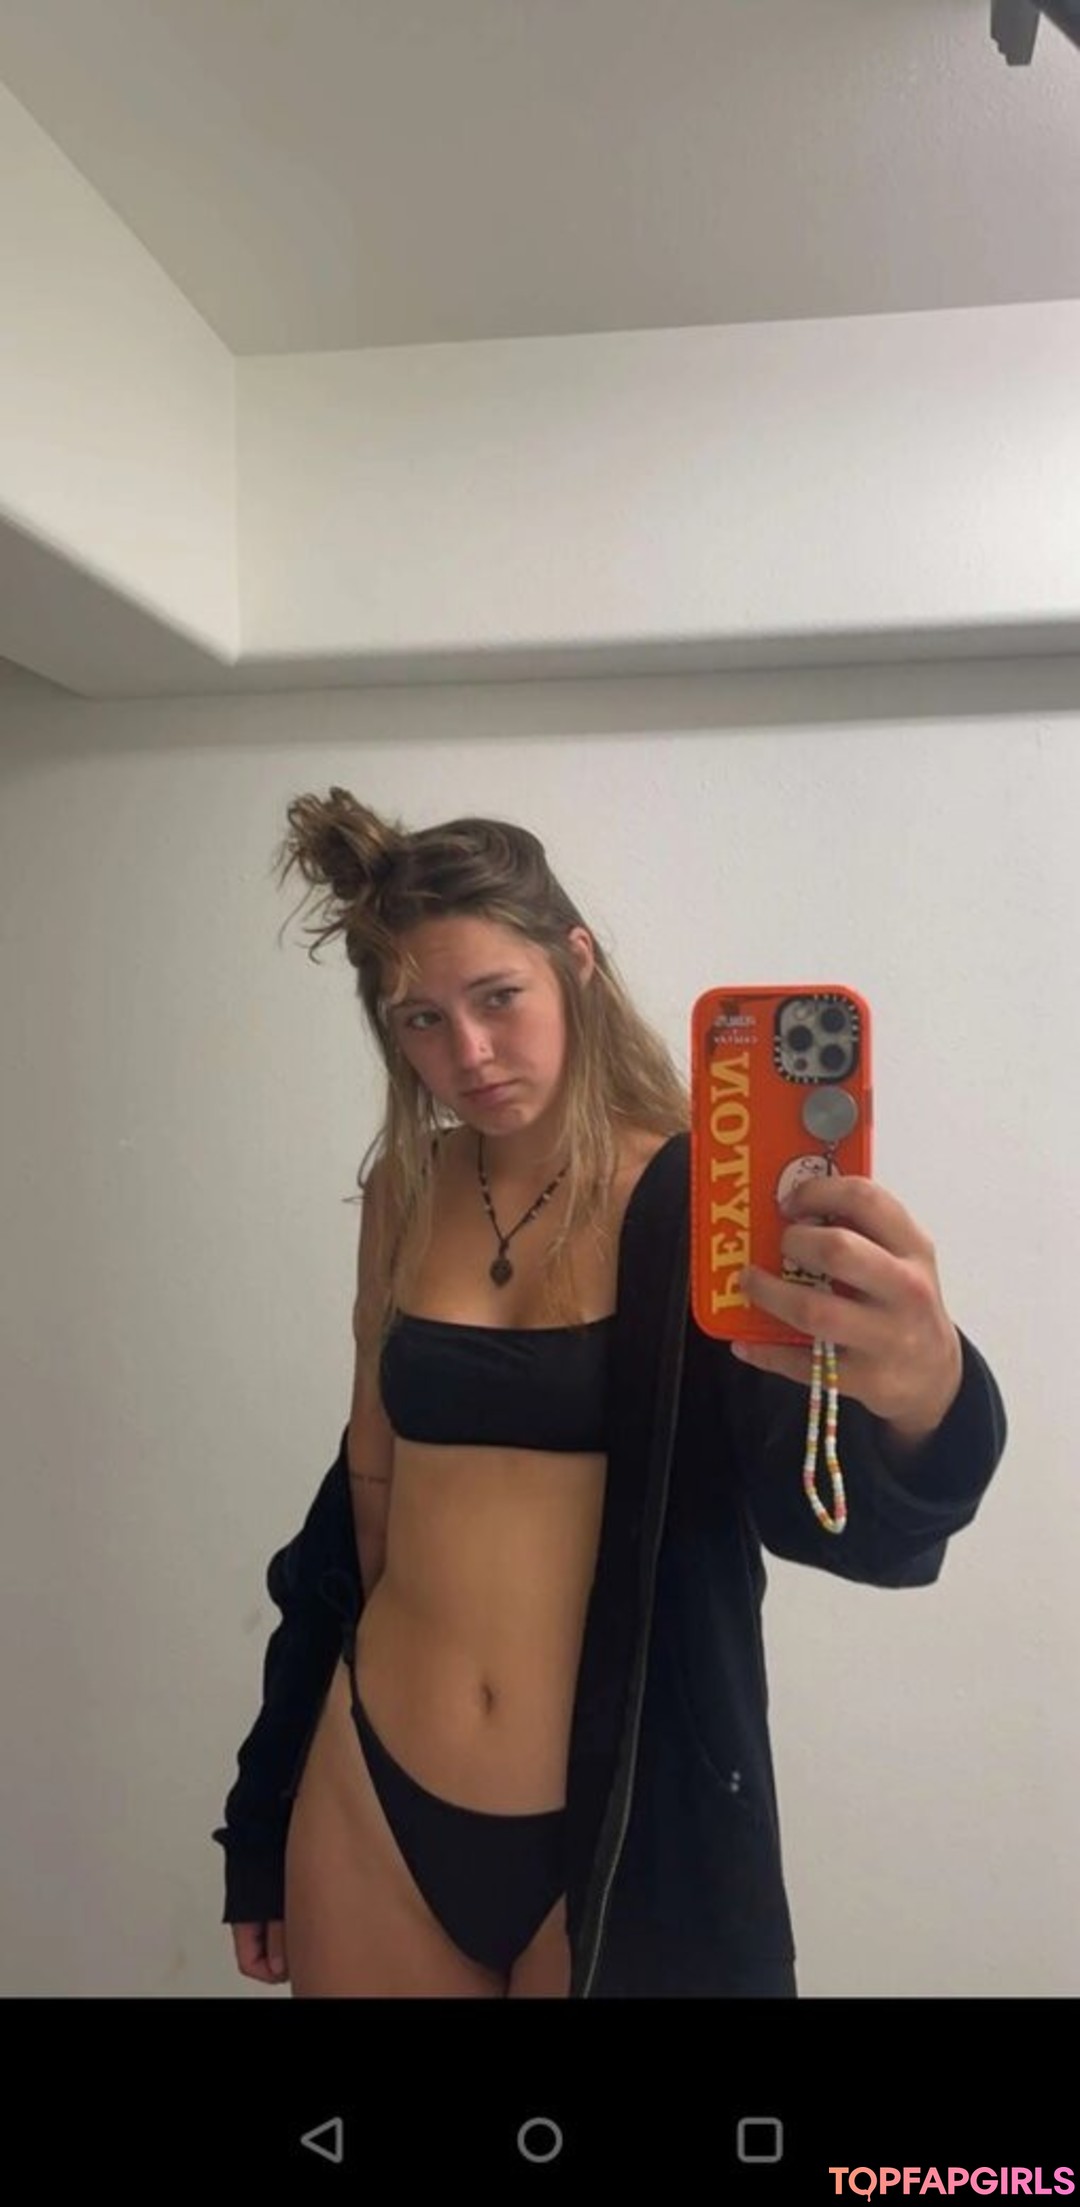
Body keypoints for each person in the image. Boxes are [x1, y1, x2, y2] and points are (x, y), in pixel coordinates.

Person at [214, 790, 1007, 1998]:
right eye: (423, 1017)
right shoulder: (405, 1189)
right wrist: (265, 1798)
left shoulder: (702, 1204)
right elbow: (361, 1499)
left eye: (498, 997)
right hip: (372, 1791)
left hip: (626, 1827)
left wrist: (927, 1389)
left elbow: (835, 1517)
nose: (469, 1052)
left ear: (575, 964)